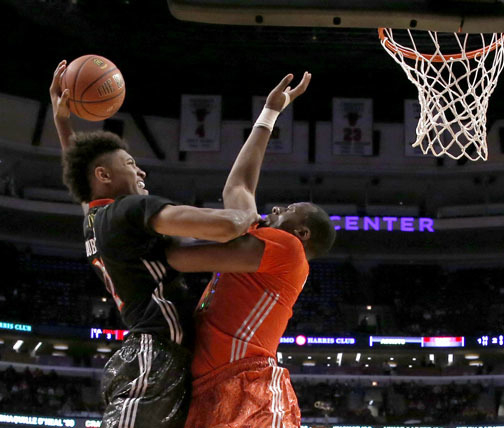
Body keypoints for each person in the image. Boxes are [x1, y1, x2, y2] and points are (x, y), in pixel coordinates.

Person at [49, 60, 260, 428]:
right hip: (155, 354)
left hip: (156, 355)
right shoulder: (130, 209)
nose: (141, 171)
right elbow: (225, 227)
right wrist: (254, 220)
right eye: (130, 163)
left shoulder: (95, 218)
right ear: (105, 175)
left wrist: (63, 121)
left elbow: (85, 177)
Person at [166, 72, 337, 428]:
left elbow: (179, 257)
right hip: (209, 385)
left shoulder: (289, 250)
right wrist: (269, 115)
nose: (275, 209)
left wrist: (136, 232)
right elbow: (239, 186)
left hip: (246, 384)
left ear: (301, 232)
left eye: (286, 210)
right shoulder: (262, 243)